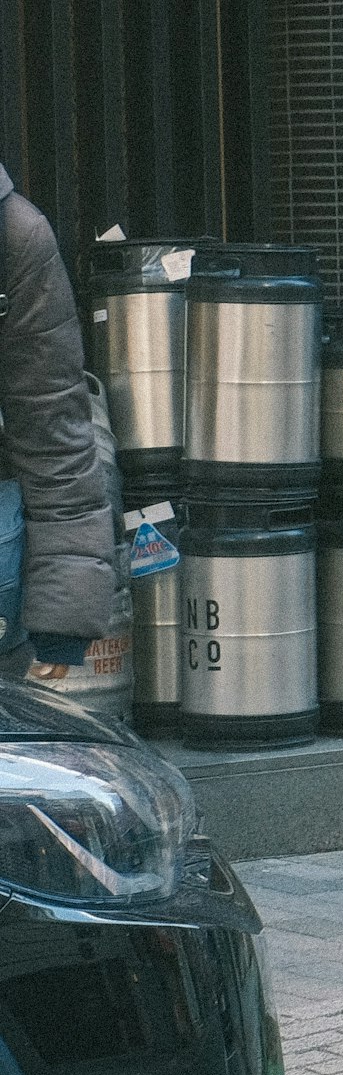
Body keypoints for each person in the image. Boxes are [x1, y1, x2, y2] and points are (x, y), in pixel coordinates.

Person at [0, 161, 114, 696]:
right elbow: (51, 427)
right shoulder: (15, 230)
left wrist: (62, 620)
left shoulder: (12, 233)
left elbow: (52, 428)